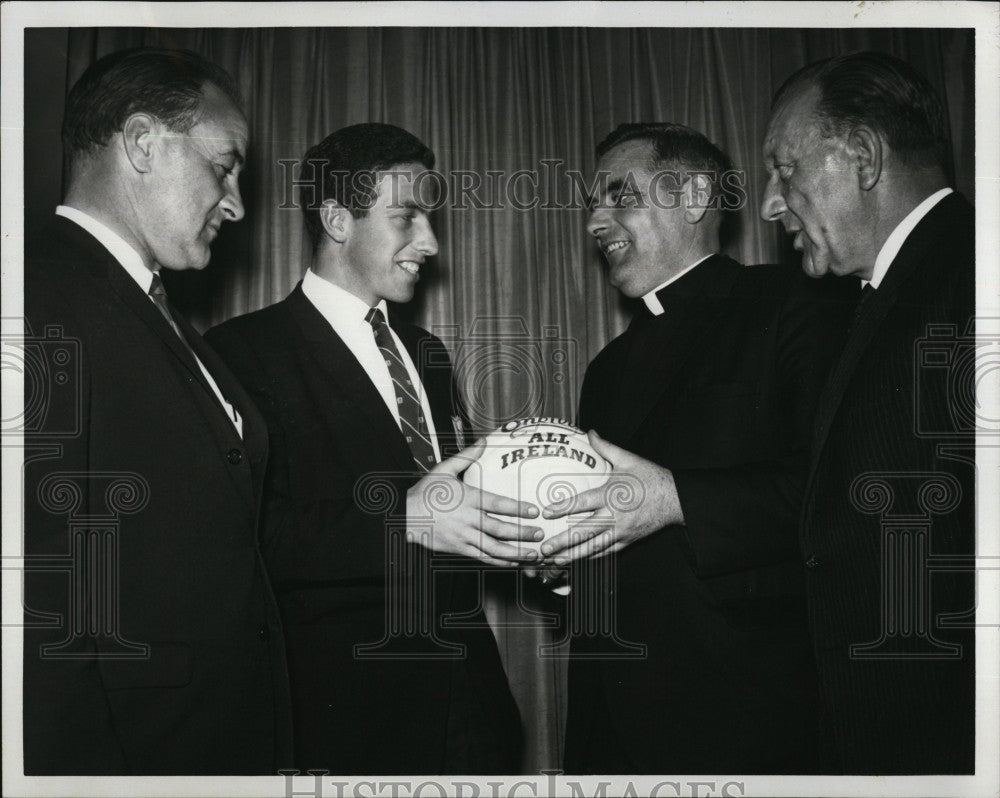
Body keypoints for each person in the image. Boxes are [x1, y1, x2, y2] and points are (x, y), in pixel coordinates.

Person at [205, 123, 534, 774]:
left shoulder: (427, 354)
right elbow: (249, 537)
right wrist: (405, 520)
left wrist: (529, 535)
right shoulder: (242, 353)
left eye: (430, 219)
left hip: (473, 710)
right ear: (336, 219)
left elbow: (454, 514)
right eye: (407, 217)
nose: (431, 243)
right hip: (350, 723)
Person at [539, 123, 851, 773]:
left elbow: (838, 494)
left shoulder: (795, 305)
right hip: (608, 727)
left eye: (619, 196)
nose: (596, 219)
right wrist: (564, 561)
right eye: (593, 202)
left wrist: (677, 498)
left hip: (743, 722)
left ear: (696, 197)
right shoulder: (606, 368)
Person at [23, 47, 292, 775]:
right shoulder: (34, 300)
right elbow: (30, 609)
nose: (236, 202)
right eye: (225, 165)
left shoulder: (158, 315)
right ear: (143, 142)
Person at [759, 51, 975, 774]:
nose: (768, 202)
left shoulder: (975, 277)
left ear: (863, 155)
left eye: (785, 170)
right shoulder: (878, 297)